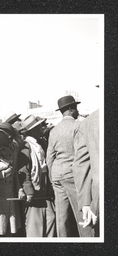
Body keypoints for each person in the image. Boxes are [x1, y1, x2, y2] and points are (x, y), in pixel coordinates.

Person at [46, 95, 92, 237]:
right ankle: (87, 241)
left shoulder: (54, 130)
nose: (77, 110)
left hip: (57, 174)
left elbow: (49, 157)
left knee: (62, 215)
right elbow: (81, 154)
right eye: (75, 107)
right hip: (73, 175)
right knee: (82, 212)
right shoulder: (78, 126)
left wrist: (52, 177)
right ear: (71, 109)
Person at [20, 114, 56, 237]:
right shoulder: (26, 146)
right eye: (39, 126)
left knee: (50, 220)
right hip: (35, 193)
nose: (42, 128)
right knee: (35, 228)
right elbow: (24, 170)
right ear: (33, 130)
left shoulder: (40, 144)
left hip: (44, 192)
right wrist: (29, 191)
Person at [73, 109, 99, 237]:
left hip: (98, 196)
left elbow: (81, 163)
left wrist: (85, 203)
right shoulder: (86, 123)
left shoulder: (88, 123)